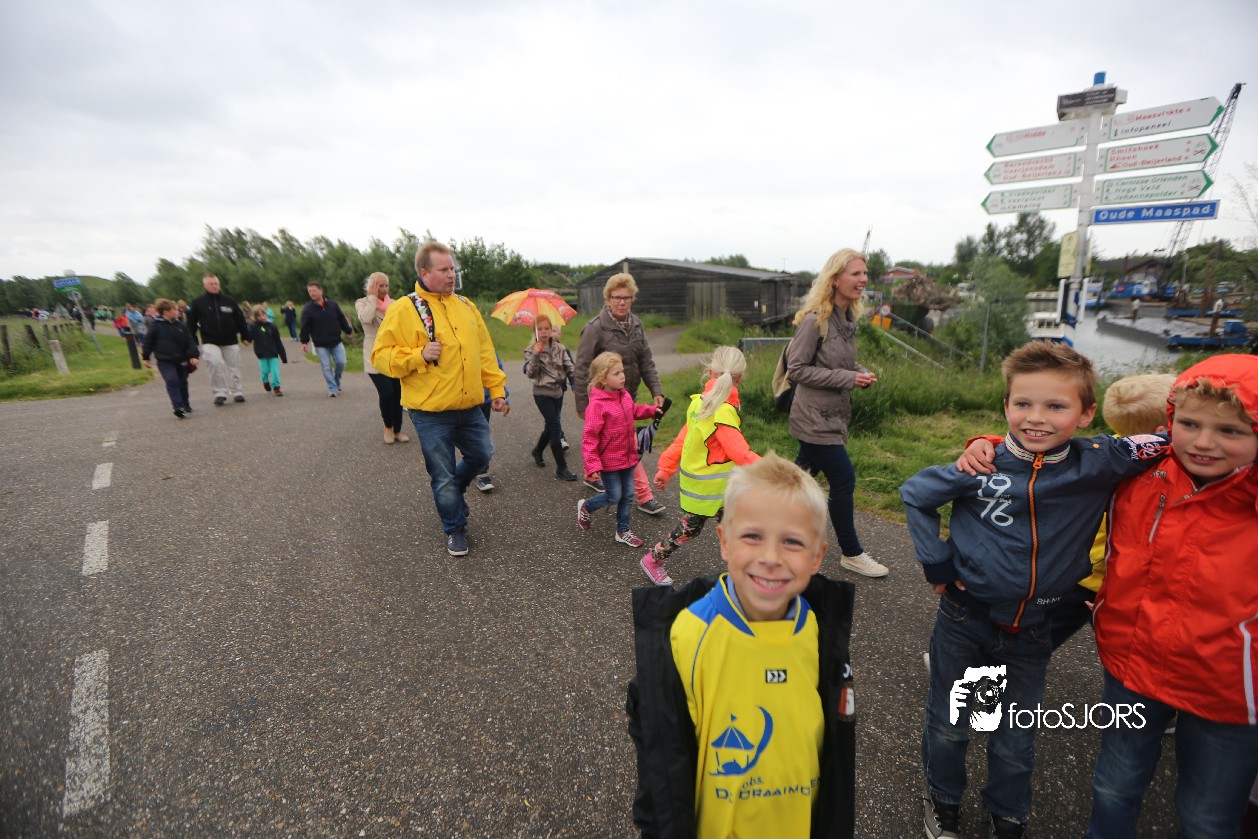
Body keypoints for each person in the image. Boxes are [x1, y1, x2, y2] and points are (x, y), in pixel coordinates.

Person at [900, 342, 1170, 839]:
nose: (1037, 418)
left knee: (1015, 736)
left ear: (1087, 414)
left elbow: (1176, 437)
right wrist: (936, 562)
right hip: (965, 617)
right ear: (1005, 405)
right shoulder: (982, 465)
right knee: (950, 724)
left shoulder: (1102, 460)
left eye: (1056, 406)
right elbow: (916, 496)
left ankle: (1008, 813)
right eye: (1023, 403)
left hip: (1035, 628)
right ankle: (943, 800)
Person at [626, 453, 857, 839]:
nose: (770, 558)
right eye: (752, 536)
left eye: (792, 542)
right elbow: (661, 758)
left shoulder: (821, 631)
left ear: (818, 556)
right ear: (724, 542)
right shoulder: (688, 635)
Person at [1085, 355, 1258, 839]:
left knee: (1207, 819)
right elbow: (1052, 452)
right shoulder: (1140, 469)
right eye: (1189, 424)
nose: (1202, 442)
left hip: (1229, 690)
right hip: (1132, 664)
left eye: (1229, 431)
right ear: (1169, 419)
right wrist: (986, 445)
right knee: (1113, 788)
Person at [370, 241, 507, 558]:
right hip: (430, 412)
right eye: (444, 270)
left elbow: (485, 353)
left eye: (453, 269)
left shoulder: (466, 306)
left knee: (482, 455)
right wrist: (418, 355)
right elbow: (380, 357)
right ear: (424, 272)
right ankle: (455, 527)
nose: (451, 275)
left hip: (470, 406)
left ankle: (453, 492)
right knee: (441, 475)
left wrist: (497, 390)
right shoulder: (405, 308)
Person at [1047, 372, 1175, 649]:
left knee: (1046, 634)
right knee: (1120, 645)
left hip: (1080, 569)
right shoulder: (1156, 471)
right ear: (1162, 432)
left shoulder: (1103, 452)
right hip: (1106, 578)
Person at [786, 248, 886, 579]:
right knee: (843, 479)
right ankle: (852, 553)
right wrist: (847, 378)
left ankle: (770, 525)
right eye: (856, 273)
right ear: (835, 279)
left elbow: (840, 363)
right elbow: (797, 369)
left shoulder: (847, 319)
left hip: (834, 415)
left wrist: (860, 373)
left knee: (799, 482)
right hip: (814, 419)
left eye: (864, 273)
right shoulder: (815, 320)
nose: (863, 279)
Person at [639, 346, 760, 587]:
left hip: (719, 488)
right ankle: (653, 559)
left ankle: (745, 571)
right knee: (690, 530)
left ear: (710, 372)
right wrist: (774, 471)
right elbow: (740, 453)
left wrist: (666, 467)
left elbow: (683, 438)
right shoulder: (722, 411)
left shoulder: (701, 402)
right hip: (706, 491)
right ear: (740, 377)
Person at [574, 272, 667, 514]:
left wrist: (656, 390)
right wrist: (583, 405)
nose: (622, 302)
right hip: (601, 401)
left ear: (632, 299)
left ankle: (591, 474)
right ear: (608, 299)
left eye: (626, 297)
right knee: (626, 446)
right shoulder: (595, 328)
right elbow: (581, 368)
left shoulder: (636, 325)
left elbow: (646, 361)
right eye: (617, 297)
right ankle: (645, 496)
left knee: (615, 444)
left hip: (627, 397)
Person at [577, 352, 662, 548]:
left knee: (628, 495)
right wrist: (592, 465)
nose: (623, 376)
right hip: (609, 461)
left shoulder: (624, 395)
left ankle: (623, 531)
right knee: (613, 496)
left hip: (629, 456)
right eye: (616, 373)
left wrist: (651, 411)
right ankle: (586, 507)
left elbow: (634, 411)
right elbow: (589, 438)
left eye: (622, 371)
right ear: (602, 379)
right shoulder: (597, 405)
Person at [356, 272, 409, 444]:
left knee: (398, 394)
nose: (384, 289)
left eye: (386, 285)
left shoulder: (394, 304)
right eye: (380, 286)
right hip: (374, 354)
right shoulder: (362, 303)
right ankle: (388, 428)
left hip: (393, 353)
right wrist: (372, 298)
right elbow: (366, 318)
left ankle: (398, 430)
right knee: (387, 394)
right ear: (371, 287)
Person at [524, 314, 577, 481]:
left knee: (550, 425)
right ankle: (562, 467)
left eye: (547, 328)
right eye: (540, 329)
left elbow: (569, 366)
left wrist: (575, 383)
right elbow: (530, 373)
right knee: (555, 428)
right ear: (534, 331)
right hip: (542, 394)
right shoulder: (530, 350)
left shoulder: (559, 348)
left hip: (558, 393)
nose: (544, 332)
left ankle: (538, 450)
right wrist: (536, 355)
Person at [186, 274, 250, 406]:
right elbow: (191, 325)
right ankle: (220, 393)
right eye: (211, 284)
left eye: (216, 283)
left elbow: (239, 319)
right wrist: (192, 345)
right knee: (215, 364)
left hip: (230, 339)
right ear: (205, 286)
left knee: (234, 366)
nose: (214, 286)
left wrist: (245, 336)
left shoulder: (229, 301)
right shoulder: (198, 302)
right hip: (210, 340)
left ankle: (237, 391)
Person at [141, 298, 199, 419]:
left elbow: (190, 341)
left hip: (181, 359)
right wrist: (146, 357)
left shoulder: (181, 325)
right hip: (165, 360)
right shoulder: (156, 326)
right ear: (166, 311)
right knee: (172, 380)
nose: (178, 311)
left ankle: (185, 403)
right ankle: (178, 406)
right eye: (174, 309)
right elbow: (148, 342)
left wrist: (194, 355)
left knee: (182, 382)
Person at [300, 281, 354, 397]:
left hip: (336, 341)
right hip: (320, 344)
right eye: (309, 291)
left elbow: (341, 319)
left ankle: (336, 380)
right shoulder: (308, 309)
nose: (312, 293)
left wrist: (348, 331)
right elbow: (305, 326)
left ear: (320, 290)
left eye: (314, 290)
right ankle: (332, 388)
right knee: (326, 367)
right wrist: (304, 342)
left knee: (341, 362)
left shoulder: (332, 305)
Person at [247, 304, 288, 397]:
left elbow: (278, 341)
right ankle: (265, 381)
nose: (262, 317)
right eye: (259, 316)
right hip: (261, 353)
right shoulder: (253, 327)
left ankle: (276, 387)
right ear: (255, 317)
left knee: (275, 371)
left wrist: (283, 356)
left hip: (273, 353)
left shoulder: (272, 326)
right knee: (264, 371)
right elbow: (249, 337)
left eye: (263, 314)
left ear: (266, 314)